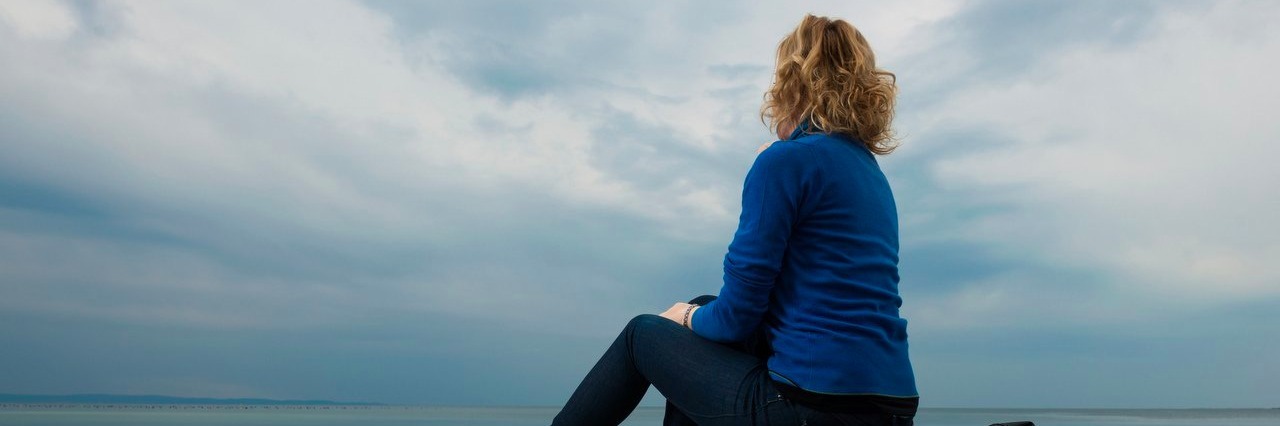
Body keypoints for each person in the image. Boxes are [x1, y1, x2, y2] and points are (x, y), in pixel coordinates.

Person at [553, 14, 917, 426]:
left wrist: (684, 317)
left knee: (644, 334)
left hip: (813, 409)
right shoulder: (867, 170)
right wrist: (698, 315)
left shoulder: (785, 162)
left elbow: (738, 316)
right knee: (704, 309)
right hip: (889, 409)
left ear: (792, 82)